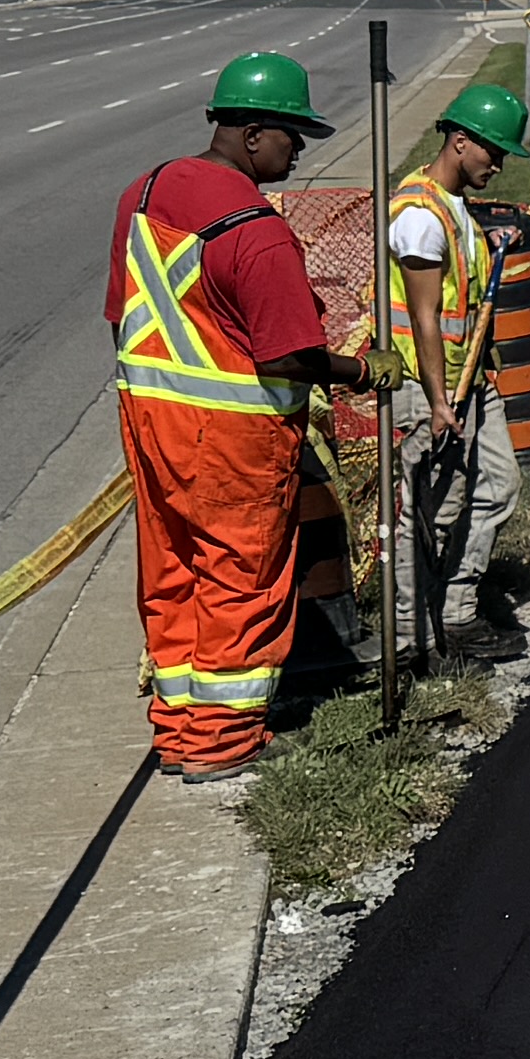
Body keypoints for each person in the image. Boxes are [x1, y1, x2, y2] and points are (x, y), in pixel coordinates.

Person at [106, 51, 367, 785]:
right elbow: (292, 356)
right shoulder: (258, 231)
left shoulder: (145, 193)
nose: (300, 150)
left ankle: (179, 731)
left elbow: (120, 313)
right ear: (253, 134)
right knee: (240, 578)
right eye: (292, 135)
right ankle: (223, 741)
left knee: (173, 574)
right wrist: (361, 371)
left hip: (149, 419)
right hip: (232, 434)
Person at [379, 76, 530, 627]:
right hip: (429, 389)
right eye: (494, 150)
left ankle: (455, 606)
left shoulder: (454, 206)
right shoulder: (420, 216)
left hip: (468, 381)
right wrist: (442, 401)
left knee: (499, 484)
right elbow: (424, 317)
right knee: (431, 509)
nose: (499, 164)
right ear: (461, 141)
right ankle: (410, 626)